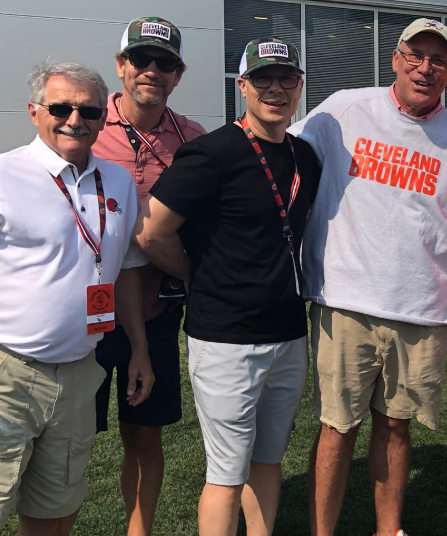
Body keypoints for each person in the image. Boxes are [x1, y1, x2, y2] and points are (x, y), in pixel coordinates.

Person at [286, 18, 447, 536]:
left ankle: (389, 529)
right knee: (337, 428)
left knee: (396, 426)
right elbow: (282, 159)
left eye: (438, 61)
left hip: (421, 310)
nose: (425, 68)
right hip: (344, 302)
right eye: (415, 55)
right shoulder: (343, 110)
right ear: (395, 58)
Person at [0, 60, 152, 536]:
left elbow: (125, 274)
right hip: (4, 373)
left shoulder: (116, 182)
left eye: (89, 111)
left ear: (104, 117)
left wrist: (139, 349)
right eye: (60, 107)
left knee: (55, 515)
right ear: (34, 112)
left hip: (80, 373)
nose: (74, 119)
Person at [133, 38, 320, 536]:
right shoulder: (211, 153)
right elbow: (151, 232)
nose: (275, 89)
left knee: (269, 459)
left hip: (288, 332)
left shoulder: (306, 157)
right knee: (226, 474)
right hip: (225, 339)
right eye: (262, 79)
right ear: (242, 87)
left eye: (286, 79)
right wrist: (198, 275)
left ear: (299, 87)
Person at [91, 16, 207, 536]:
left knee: (144, 436)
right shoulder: (85, 126)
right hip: (84, 312)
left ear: (177, 75)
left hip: (157, 310)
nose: (151, 72)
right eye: (141, 60)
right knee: (67, 439)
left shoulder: (194, 139)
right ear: (121, 66)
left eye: (165, 64)